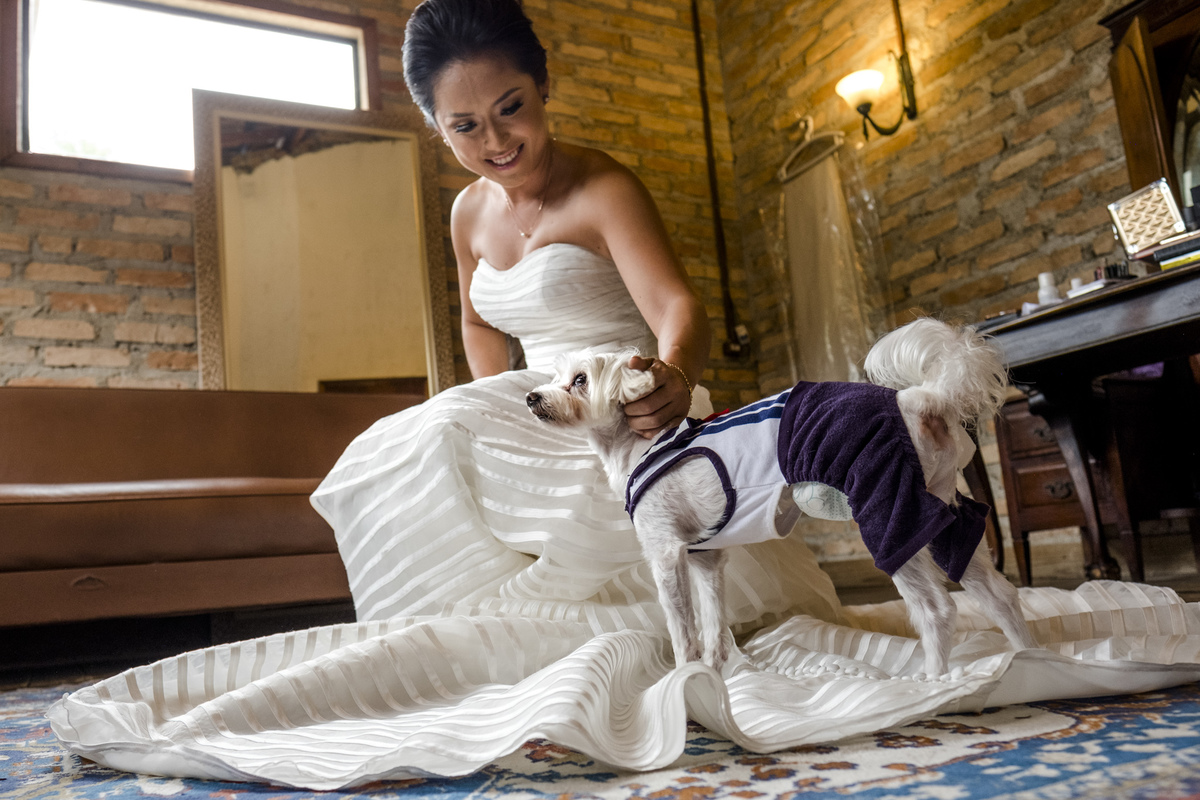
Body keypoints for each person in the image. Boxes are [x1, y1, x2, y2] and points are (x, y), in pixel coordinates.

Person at [48, 0, 1200, 789]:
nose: (495, 140)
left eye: (511, 108)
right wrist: (491, 399)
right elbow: (473, 318)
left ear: (540, 89)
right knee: (430, 420)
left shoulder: (603, 183)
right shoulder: (463, 213)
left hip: (628, 403)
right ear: (434, 127)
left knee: (447, 423)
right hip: (539, 411)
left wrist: (669, 385)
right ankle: (457, 610)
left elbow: (676, 310)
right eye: (464, 125)